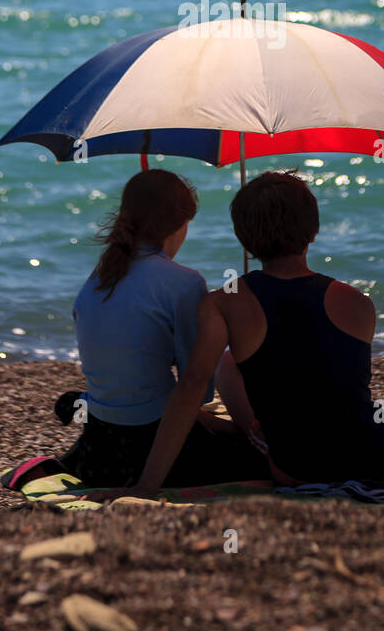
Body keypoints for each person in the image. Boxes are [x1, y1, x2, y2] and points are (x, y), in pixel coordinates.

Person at [102, 170, 384, 498]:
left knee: (233, 362)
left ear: (244, 241)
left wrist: (147, 486)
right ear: (313, 232)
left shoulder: (223, 303)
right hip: (374, 461)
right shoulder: (357, 302)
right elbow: (327, 383)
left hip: (294, 470)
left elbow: (191, 386)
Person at [58, 168, 268, 488]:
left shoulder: (100, 277)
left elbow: (133, 382)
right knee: (265, 461)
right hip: (148, 448)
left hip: (96, 450)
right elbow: (194, 385)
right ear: (181, 225)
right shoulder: (184, 282)